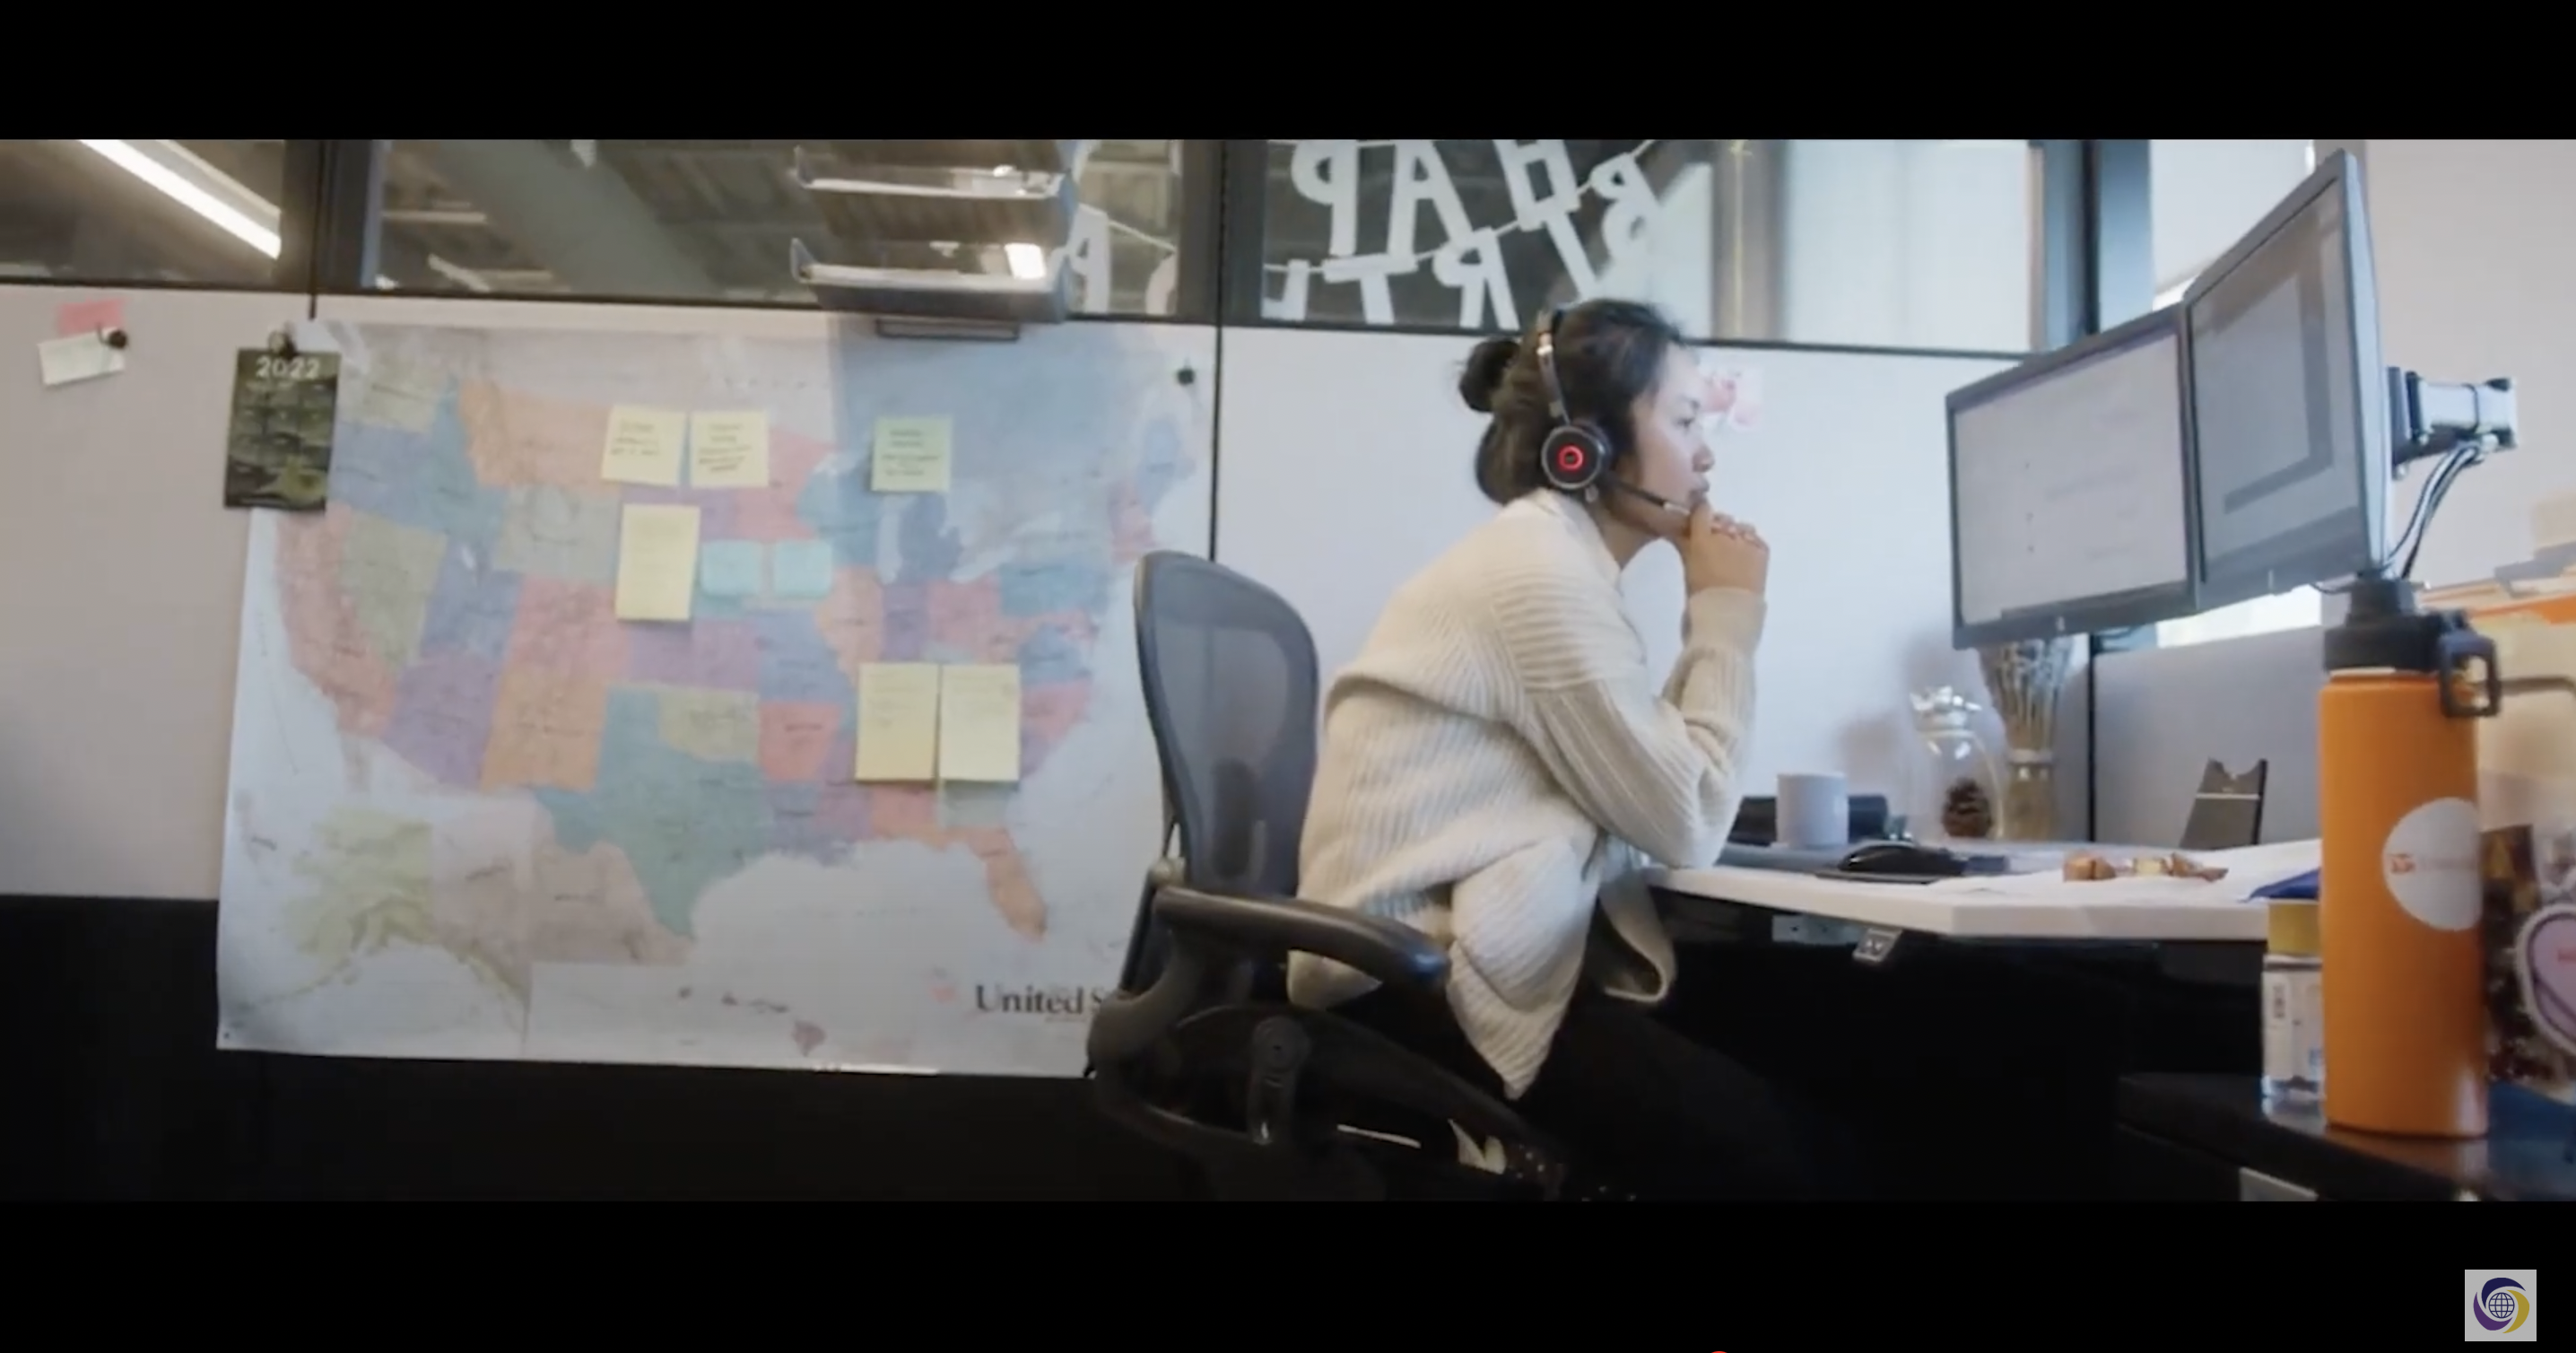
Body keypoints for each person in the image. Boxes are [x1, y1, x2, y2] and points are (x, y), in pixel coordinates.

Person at [1286, 298, 1858, 1200]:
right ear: (1581, 447)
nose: (1704, 452)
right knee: (1791, 1152)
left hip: (1446, 961)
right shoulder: (1537, 578)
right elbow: (1687, 816)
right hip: (1415, 990)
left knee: (1816, 1061)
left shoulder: (1555, 567)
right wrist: (1725, 612)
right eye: (1681, 419)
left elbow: (1652, 777)